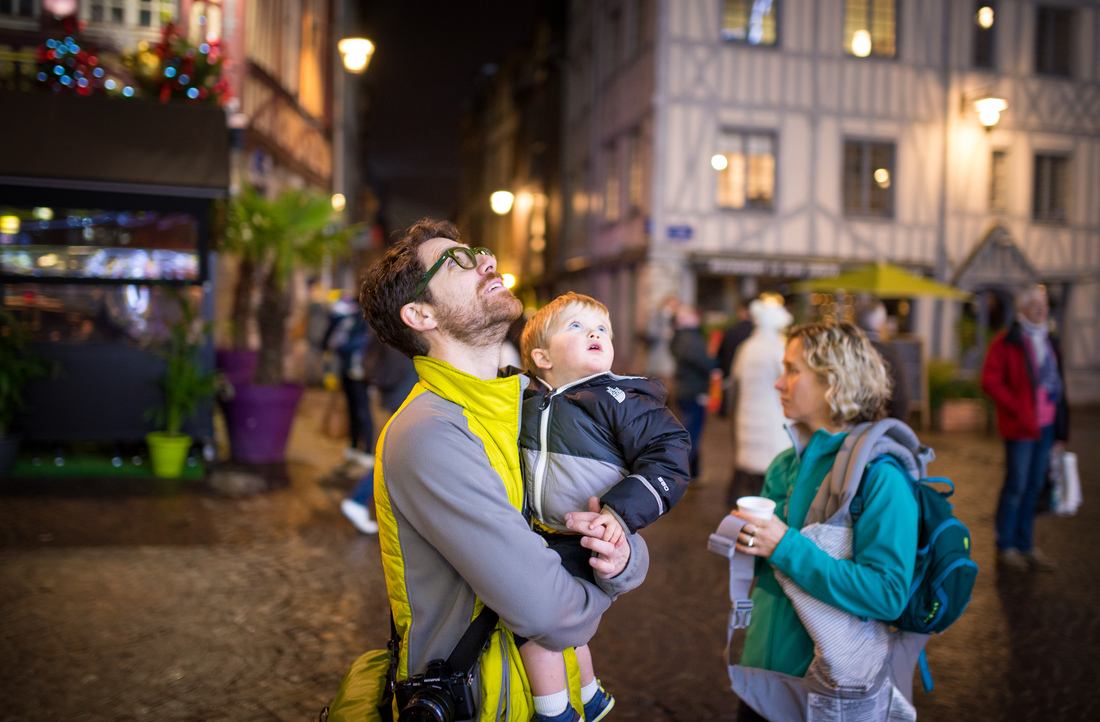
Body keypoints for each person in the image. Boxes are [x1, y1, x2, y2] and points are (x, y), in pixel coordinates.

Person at [357, 218, 649, 722]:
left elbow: (623, 532)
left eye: (479, 252)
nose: (486, 261)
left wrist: (620, 558)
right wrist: (605, 579)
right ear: (420, 313)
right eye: (458, 261)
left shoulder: (537, 405)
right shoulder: (428, 433)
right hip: (484, 705)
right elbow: (548, 615)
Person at [728, 322, 918, 722]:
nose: (779, 383)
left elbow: (887, 594)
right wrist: (743, 538)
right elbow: (769, 565)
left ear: (834, 381)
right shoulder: (785, 462)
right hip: (760, 678)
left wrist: (784, 545)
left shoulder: (882, 476)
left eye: (793, 370)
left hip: (826, 691)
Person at [517, 292, 692, 722]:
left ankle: (555, 712)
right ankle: (590, 694)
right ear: (541, 356)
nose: (594, 333)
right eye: (575, 326)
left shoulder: (621, 399)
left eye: (602, 330)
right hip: (540, 533)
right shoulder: (524, 399)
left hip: (588, 536)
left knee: (535, 626)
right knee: (569, 627)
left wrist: (619, 511)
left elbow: (670, 451)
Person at [981, 284, 1069, 572]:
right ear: (1022, 310)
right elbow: (990, 380)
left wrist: (1060, 430)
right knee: (1016, 485)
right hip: (1021, 427)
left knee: (1034, 486)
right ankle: (1005, 545)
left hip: (1046, 425)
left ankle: (1026, 544)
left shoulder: (1050, 340)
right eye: (1035, 305)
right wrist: (1017, 407)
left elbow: (1058, 384)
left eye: (1044, 305)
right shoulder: (1008, 341)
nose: (1042, 310)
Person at [339, 327, 419, 535]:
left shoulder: (389, 326)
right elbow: (396, 367)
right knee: (397, 455)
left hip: (397, 395)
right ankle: (358, 499)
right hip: (403, 396)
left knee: (402, 455)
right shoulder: (403, 332)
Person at [728, 294, 792, 505]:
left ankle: (738, 501)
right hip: (771, 415)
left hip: (747, 414)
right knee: (769, 469)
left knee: (747, 466)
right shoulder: (778, 347)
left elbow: (735, 379)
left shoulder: (747, 347)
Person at [321, 296, 374, 469]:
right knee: (351, 409)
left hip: (361, 373)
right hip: (346, 370)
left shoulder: (366, 322)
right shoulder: (345, 319)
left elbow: (359, 343)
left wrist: (342, 345)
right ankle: (353, 445)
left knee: (363, 411)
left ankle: (367, 449)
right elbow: (327, 340)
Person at [670, 303, 714, 478]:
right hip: (693, 390)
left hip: (684, 388)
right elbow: (703, 362)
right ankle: (679, 472)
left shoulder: (680, 337)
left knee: (689, 430)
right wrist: (714, 365)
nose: (697, 317)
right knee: (692, 433)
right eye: (692, 315)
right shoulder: (690, 339)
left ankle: (693, 473)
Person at [855, 297, 910, 420]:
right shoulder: (889, 353)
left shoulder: (848, 350)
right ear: (881, 325)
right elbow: (900, 399)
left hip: (849, 426)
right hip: (880, 426)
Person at [716, 299, 753, 417]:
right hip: (750, 377)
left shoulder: (731, 331)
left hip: (730, 373)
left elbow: (721, 353)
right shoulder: (757, 333)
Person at [643, 294, 679, 381]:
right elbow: (650, 332)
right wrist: (662, 333)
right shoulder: (658, 315)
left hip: (670, 353)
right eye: (672, 304)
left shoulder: (674, 317)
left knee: (666, 377)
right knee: (657, 377)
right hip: (658, 352)